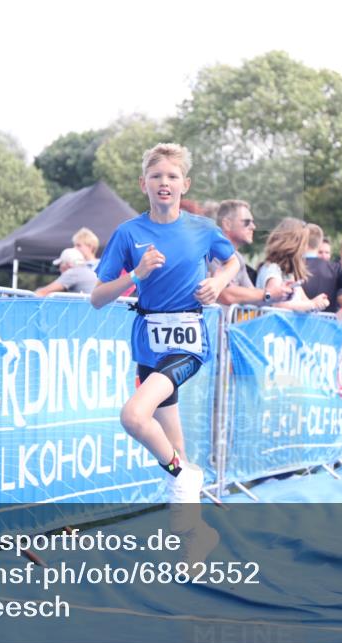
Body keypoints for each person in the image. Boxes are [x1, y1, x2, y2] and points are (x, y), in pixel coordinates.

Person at [90, 144, 239, 530]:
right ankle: (195, 537)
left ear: (185, 184)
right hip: (148, 346)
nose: (164, 183)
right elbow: (97, 298)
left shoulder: (202, 229)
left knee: (133, 416)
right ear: (143, 184)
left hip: (187, 344)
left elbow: (232, 260)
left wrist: (218, 282)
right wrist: (135, 274)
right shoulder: (128, 234)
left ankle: (185, 475)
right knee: (176, 450)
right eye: (156, 176)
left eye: (172, 176)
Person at [211, 199, 292, 306]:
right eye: (247, 222)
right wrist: (270, 294)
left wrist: (281, 291)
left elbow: (252, 293)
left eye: (252, 222)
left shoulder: (238, 258)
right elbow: (226, 294)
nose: (253, 227)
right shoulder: (212, 252)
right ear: (227, 224)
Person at [255, 218, 329, 312]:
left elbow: (305, 302)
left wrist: (317, 302)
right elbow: (277, 304)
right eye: (304, 243)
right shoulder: (273, 269)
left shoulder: (289, 274)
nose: (306, 248)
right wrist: (313, 304)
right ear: (294, 244)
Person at [301, 223, 342, 316]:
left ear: (302, 241)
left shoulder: (293, 265)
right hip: (327, 323)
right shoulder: (334, 268)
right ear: (319, 244)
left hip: (293, 322)